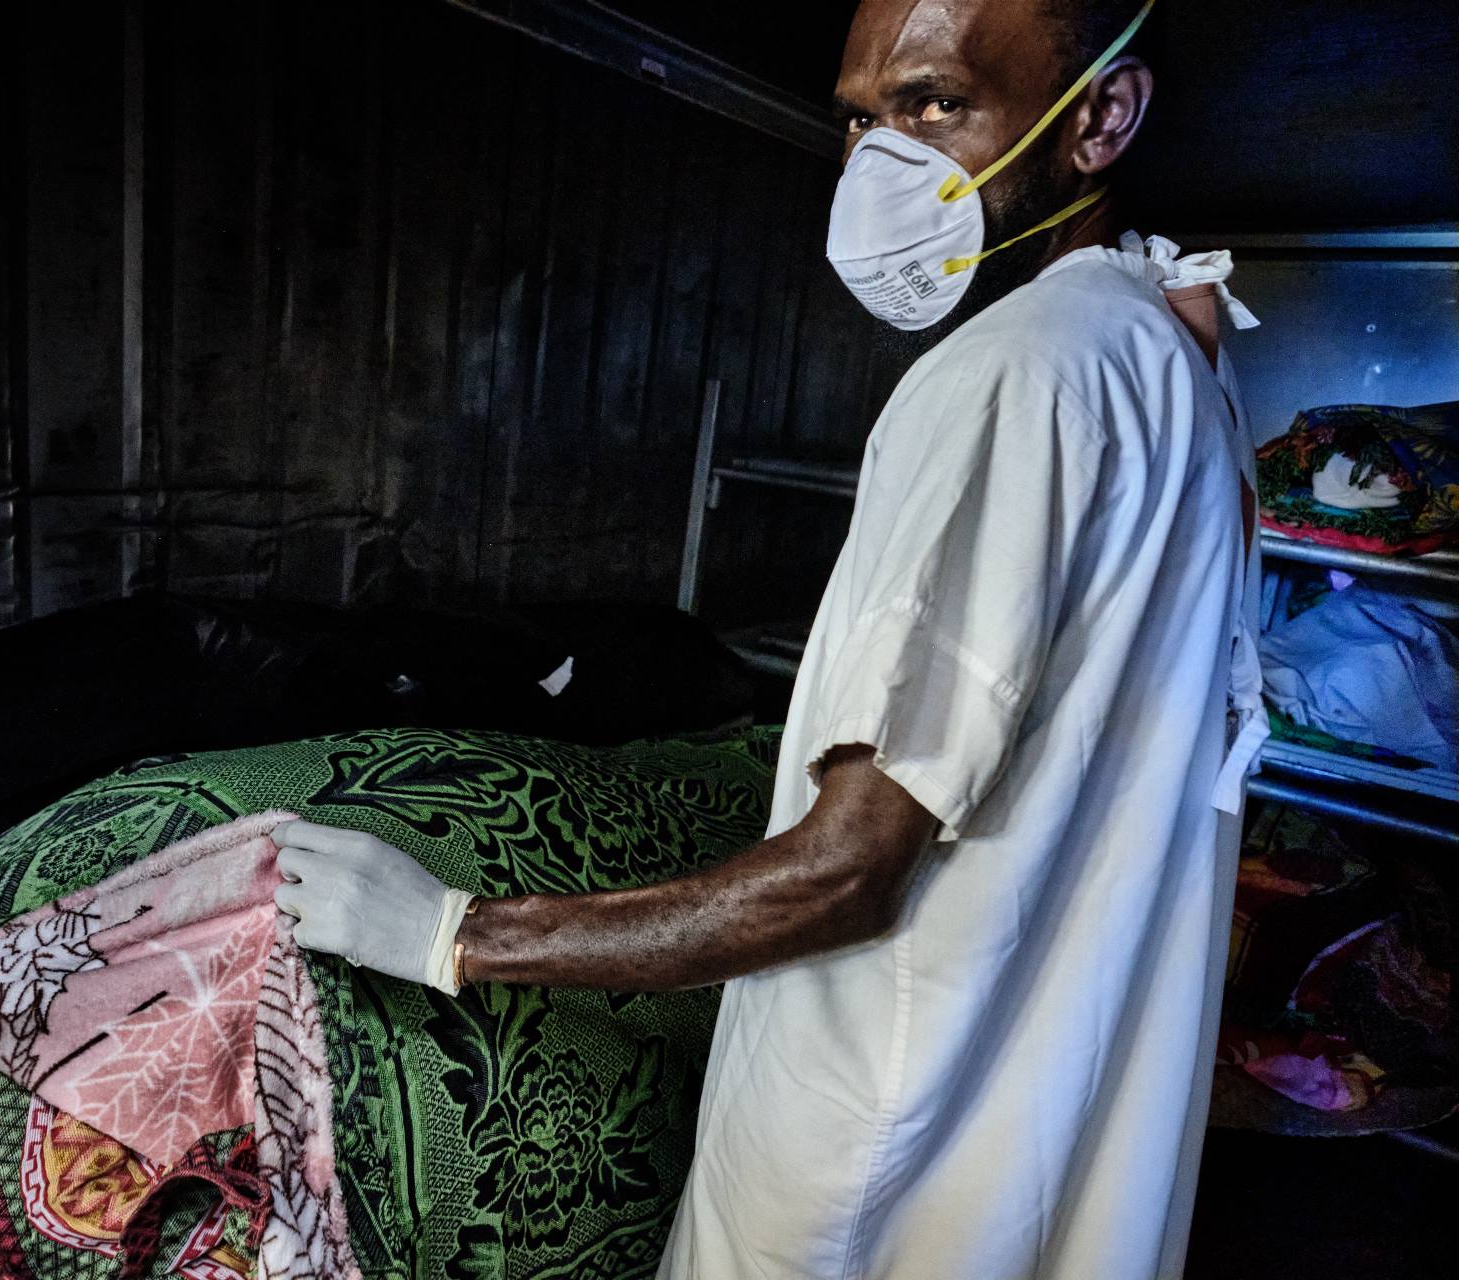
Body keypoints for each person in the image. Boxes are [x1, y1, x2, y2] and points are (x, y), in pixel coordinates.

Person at [272, 0, 1267, 1276]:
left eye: (936, 105)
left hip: (882, 1139)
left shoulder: (1020, 372)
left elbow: (849, 866)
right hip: (1031, 1123)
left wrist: (450, 930)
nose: (879, 166)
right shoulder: (1173, 356)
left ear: (1101, 121)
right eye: (859, 116)